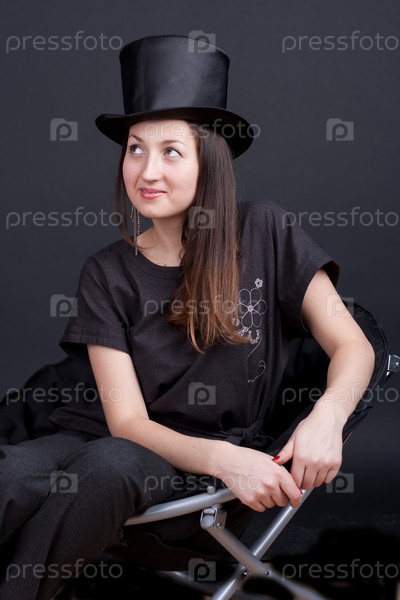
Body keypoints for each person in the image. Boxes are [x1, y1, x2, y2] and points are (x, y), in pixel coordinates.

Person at [0, 34, 375, 600]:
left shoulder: (265, 231)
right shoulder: (106, 271)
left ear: (209, 161)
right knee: (10, 474)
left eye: (171, 151)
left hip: (178, 467)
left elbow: (355, 346)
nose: (146, 171)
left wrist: (327, 417)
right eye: (135, 149)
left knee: (108, 466)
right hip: (107, 436)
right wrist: (229, 461)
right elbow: (127, 423)